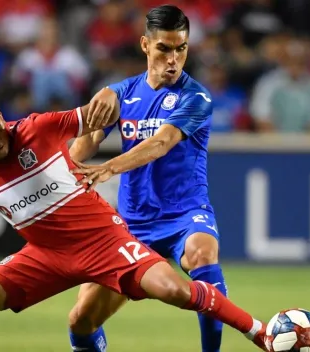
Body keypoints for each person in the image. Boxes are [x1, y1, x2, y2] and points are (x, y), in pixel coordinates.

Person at [0, 90, 267, 352]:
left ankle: (260, 333)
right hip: (45, 255)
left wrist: (108, 94)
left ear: (0, 114)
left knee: (174, 291)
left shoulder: (39, 127)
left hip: (105, 241)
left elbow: (101, 111)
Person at [67, 5, 236, 352]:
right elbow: (82, 148)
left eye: (181, 48)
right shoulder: (121, 94)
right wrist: (55, 170)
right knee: (81, 321)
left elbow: (161, 143)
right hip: (132, 225)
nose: (173, 59)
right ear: (146, 45)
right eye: (164, 48)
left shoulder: (197, 98)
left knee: (203, 255)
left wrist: (109, 167)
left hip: (185, 214)